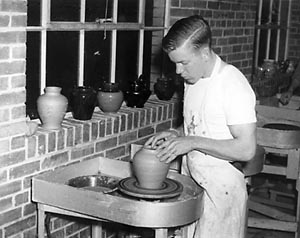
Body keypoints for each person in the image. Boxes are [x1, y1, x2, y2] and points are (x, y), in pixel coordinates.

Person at [144, 15, 257, 238]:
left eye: (183, 62)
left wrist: (192, 142)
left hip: (223, 192)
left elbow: (246, 149)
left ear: (204, 53)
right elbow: (202, 125)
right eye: (174, 62)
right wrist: (176, 133)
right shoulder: (192, 80)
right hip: (194, 183)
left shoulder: (232, 84)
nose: (177, 71)